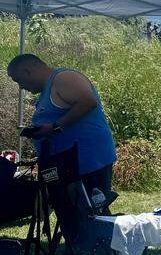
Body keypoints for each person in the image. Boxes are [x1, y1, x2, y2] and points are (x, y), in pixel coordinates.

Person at [6, 54, 117, 198]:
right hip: (68, 166)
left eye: (18, 80)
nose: (21, 87)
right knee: (70, 209)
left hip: (87, 162)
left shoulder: (63, 78)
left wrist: (55, 127)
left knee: (90, 210)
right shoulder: (48, 89)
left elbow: (88, 102)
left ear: (28, 71)